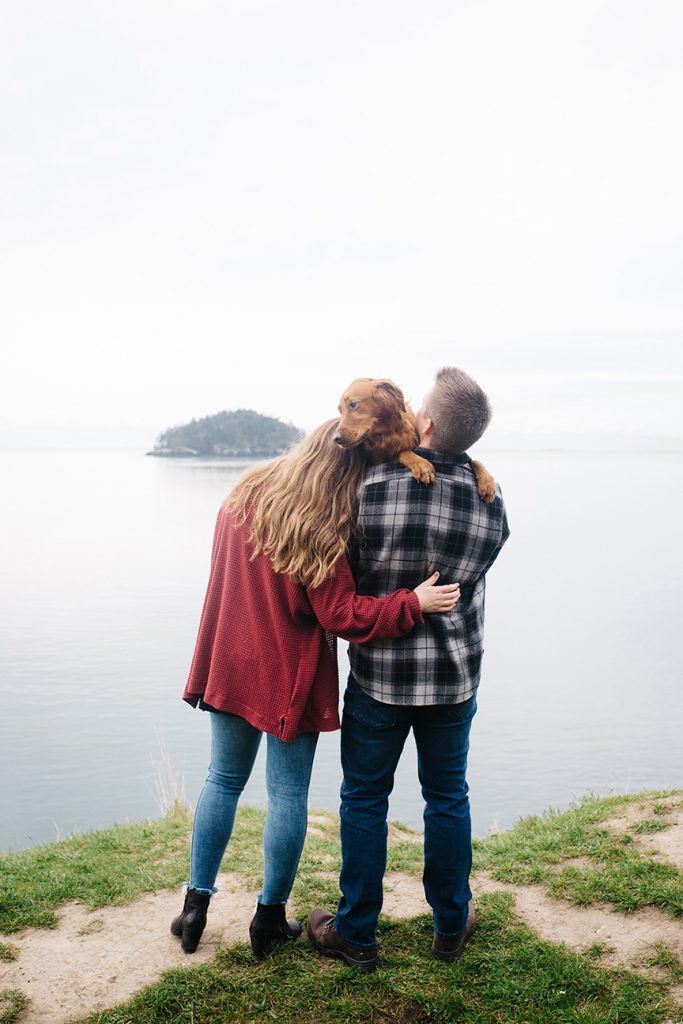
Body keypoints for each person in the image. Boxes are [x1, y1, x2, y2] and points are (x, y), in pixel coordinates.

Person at [170, 419, 461, 956]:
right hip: (289, 675)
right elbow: (343, 615)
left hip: (229, 658)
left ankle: (195, 907)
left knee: (223, 779)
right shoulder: (322, 528)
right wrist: (411, 603)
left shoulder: (241, 494)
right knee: (286, 794)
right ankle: (268, 917)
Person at [307, 367, 510, 971]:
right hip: (453, 677)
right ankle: (450, 927)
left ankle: (357, 936)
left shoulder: (369, 487)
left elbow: (349, 565)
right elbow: (485, 559)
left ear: (424, 422)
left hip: (380, 679)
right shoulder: (490, 500)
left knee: (365, 800)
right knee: (447, 797)